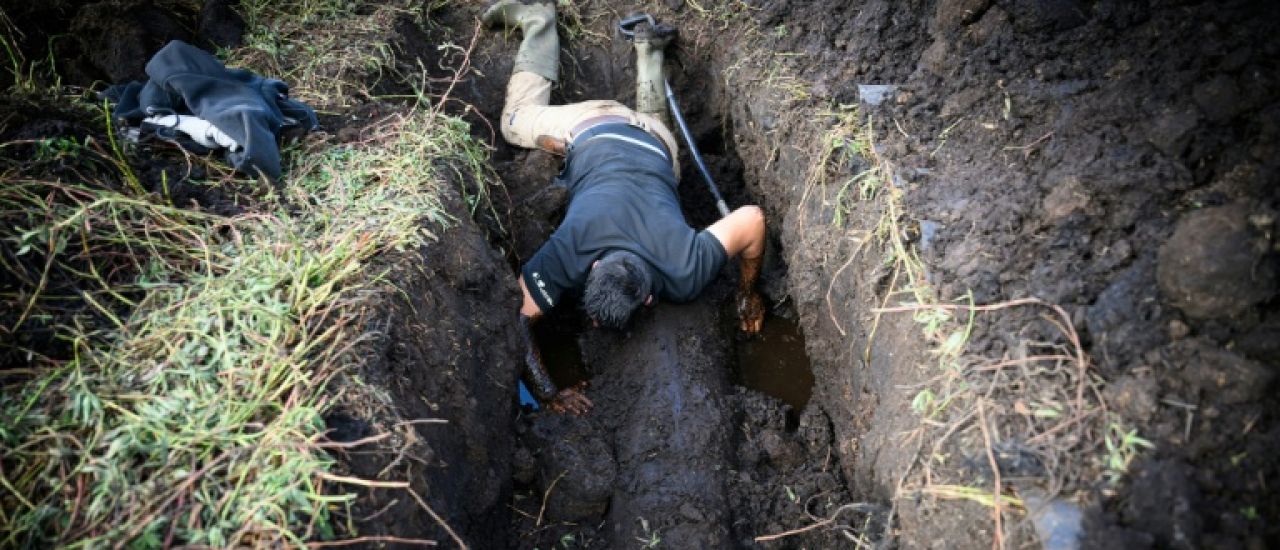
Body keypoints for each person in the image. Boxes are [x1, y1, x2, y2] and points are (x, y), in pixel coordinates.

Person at [483, 0, 766, 415]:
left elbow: (520, 318)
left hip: (638, 140)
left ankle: (582, 34)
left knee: (521, 121)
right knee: (524, 121)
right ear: (649, 298)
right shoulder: (677, 268)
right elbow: (754, 218)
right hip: (615, 132)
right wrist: (748, 294)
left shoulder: (674, 265)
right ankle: (604, 39)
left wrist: (549, 392)